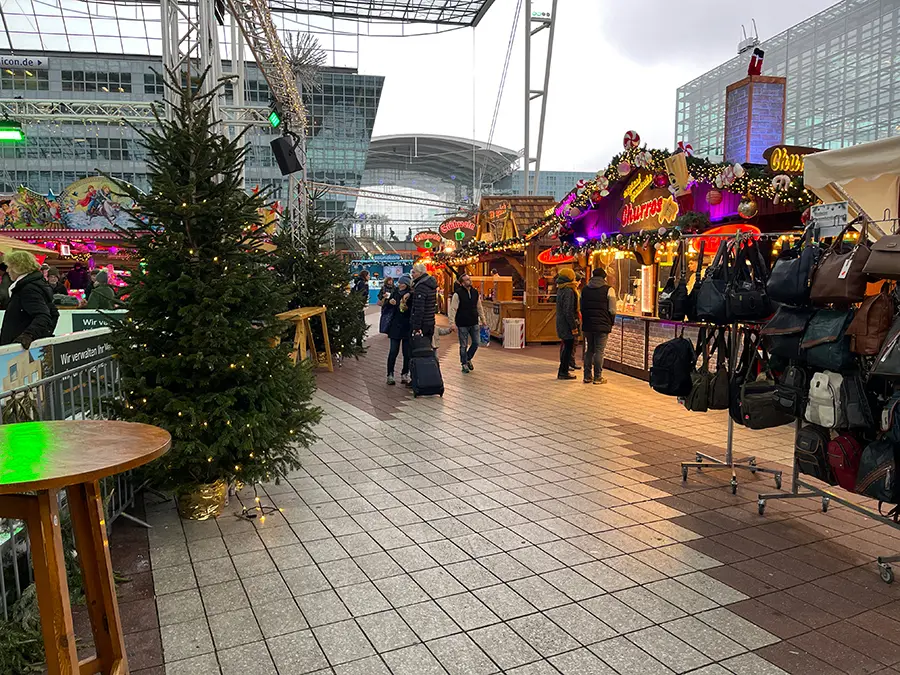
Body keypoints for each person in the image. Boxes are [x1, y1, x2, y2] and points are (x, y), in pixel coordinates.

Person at [0, 251, 59, 347]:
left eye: (9, 267)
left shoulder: (28, 289)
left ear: (18, 268)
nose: (7, 271)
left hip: (17, 351)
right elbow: (53, 313)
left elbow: (43, 316)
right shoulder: (34, 285)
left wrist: (28, 335)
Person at [580, 266, 617, 384]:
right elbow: (612, 309)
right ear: (604, 277)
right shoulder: (608, 289)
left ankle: (587, 376)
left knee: (589, 349)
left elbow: (581, 307)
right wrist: (611, 321)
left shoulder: (584, 289)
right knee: (599, 351)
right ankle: (597, 377)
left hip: (588, 324)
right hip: (602, 324)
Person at [449, 273, 487, 374]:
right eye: (466, 280)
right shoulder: (458, 294)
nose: (468, 281)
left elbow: (479, 307)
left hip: (474, 321)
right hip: (462, 322)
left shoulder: (475, 293)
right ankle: (464, 364)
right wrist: (452, 322)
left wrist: (483, 319)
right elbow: (453, 309)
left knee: (476, 342)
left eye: (469, 279)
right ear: (461, 283)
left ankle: (468, 358)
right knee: (463, 345)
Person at [386, 275, 413, 385]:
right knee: (393, 351)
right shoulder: (395, 292)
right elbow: (387, 307)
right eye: (400, 283)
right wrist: (390, 303)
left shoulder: (411, 294)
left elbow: (413, 309)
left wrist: (407, 307)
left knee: (407, 353)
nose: (400, 284)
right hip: (395, 326)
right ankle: (390, 374)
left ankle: (405, 373)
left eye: (402, 283)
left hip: (407, 326)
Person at [555, 266, 579, 380]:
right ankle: (563, 371)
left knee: (566, 347)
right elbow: (568, 310)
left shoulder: (561, 289)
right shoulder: (569, 290)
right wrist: (573, 326)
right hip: (567, 324)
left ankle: (563, 371)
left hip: (561, 323)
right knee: (568, 347)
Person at [410, 262, 437, 341]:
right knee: (427, 346)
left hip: (423, 323)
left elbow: (419, 308)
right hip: (430, 321)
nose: (412, 275)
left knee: (418, 349)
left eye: (414, 272)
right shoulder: (430, 284)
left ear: (420, 273)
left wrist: (416, 327)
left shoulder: (421, 286)